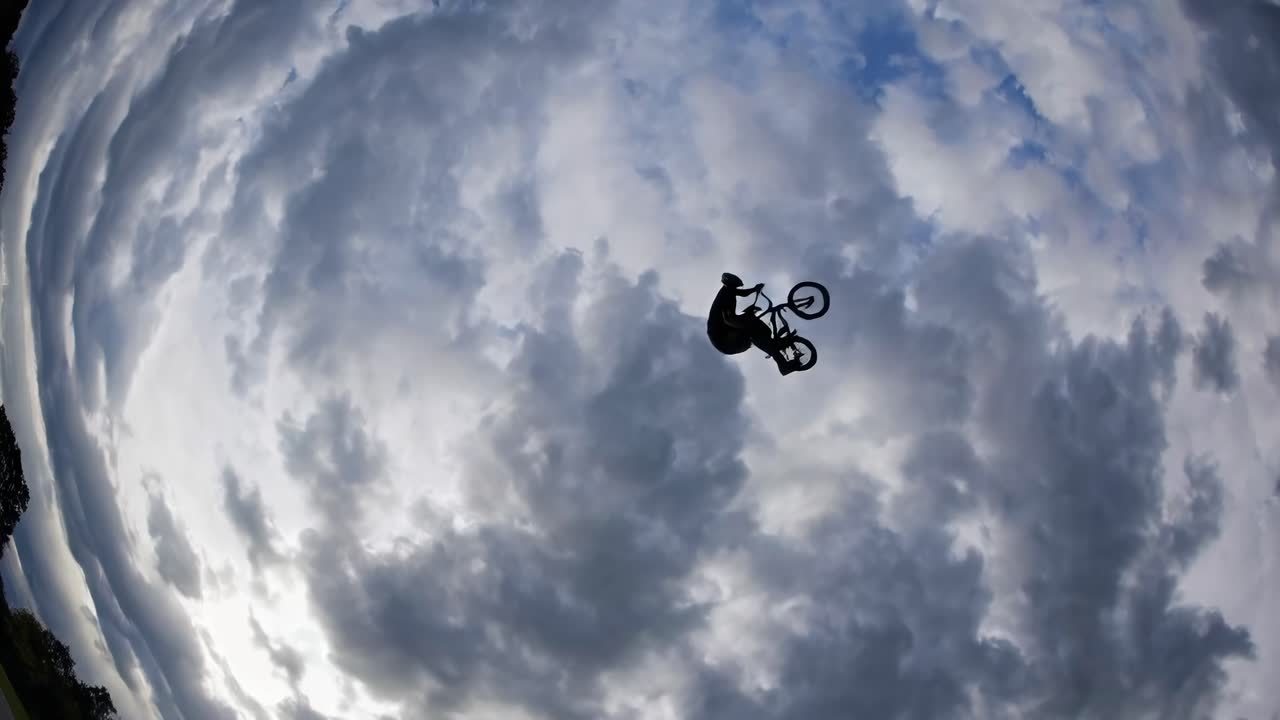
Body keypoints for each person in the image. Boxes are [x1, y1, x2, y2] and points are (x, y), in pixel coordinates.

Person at [707, 272, 797, 375]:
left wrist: (755, 289)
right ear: (732, 285)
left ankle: (775, 346)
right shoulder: (726, 295)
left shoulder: (728, 291)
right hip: (724, 340)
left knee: (757, 327)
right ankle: (783, 365)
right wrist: (747, 326)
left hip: (725, 333)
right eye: (736, 287)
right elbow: (728, 319)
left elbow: (743, 294)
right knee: (754, 332)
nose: (737, 289)